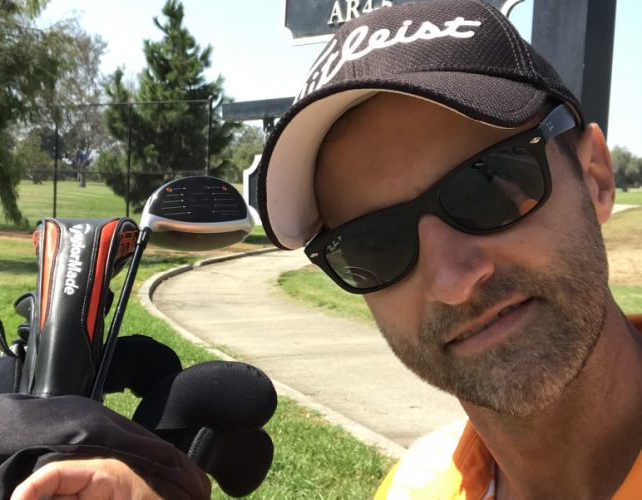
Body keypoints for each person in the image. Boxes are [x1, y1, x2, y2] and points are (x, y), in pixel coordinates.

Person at [256, 0, 642, 498]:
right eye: (374, 244)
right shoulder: (411, 488)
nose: (453, 282)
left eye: (488, 187)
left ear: (595, 179)